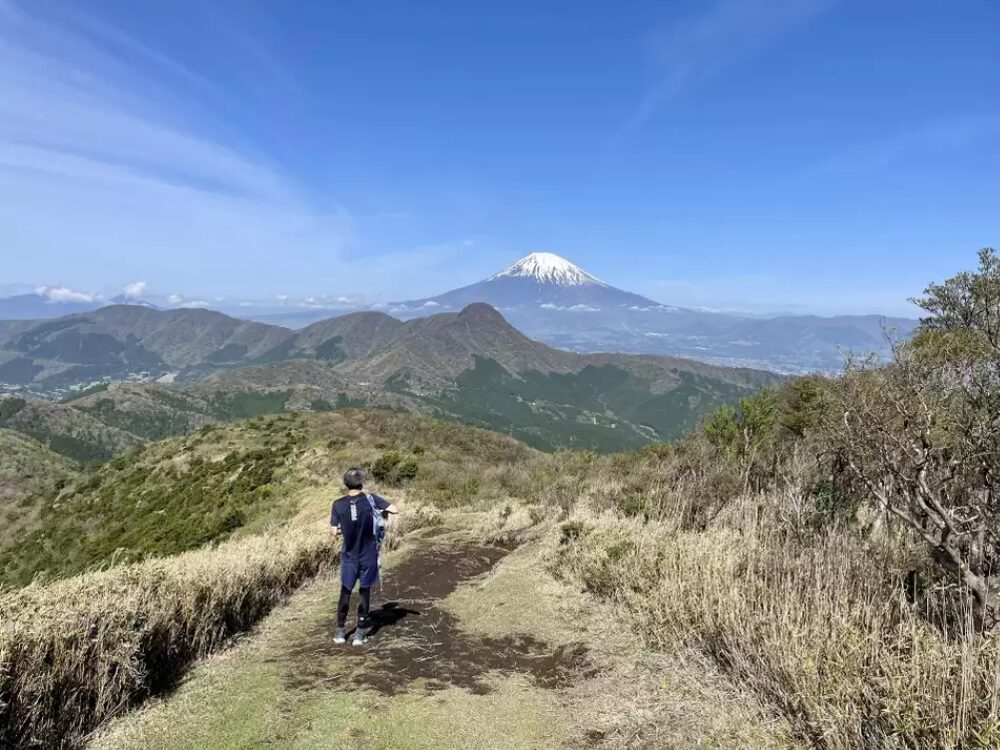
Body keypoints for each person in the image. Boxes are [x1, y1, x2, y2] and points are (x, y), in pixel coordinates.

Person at [330, 467, 399, 645]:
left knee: (345, 592)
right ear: (361, 483)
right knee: (364, 592)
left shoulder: (338, 504)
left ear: (345, 484)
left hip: (349, 556)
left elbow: (333, 532)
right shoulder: (371, 499)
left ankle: (340, 632)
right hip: (368, 555)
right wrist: (384, 518)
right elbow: (394, 509)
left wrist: (344, 528)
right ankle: (360, 634)